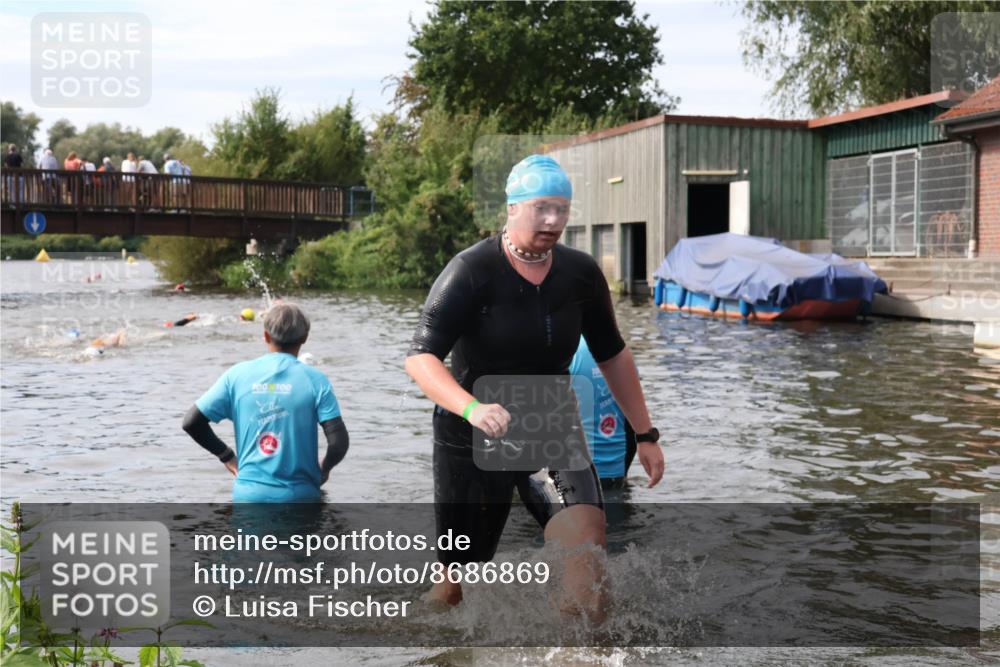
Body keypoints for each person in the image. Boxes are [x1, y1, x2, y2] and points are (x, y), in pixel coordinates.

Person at [405, 154, 664, 619]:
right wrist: (471, 409)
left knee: (587, 554)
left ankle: (577, 650)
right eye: (541, 207)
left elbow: (612, 354)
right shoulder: (470, 271)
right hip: (471, 433)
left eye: (561, 209)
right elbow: (421, 357)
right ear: (512, 207)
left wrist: (645, 435)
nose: (552, 220)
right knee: (457, 584)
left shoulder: (580, 274)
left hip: (547, 421)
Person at [182, 303, 349, 502]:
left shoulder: (236, 375)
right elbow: (339, 442)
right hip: (300, 499)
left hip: (249, 498)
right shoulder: (316, 380)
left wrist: (227, 456)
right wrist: (325, 468)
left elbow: (191, 422)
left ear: (266, 336)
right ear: (305, 337)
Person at [569, 337, 637, 491]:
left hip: (576, 477)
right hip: (615, 474)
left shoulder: (562, 352)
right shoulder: (621, 353)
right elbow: (631, 426)